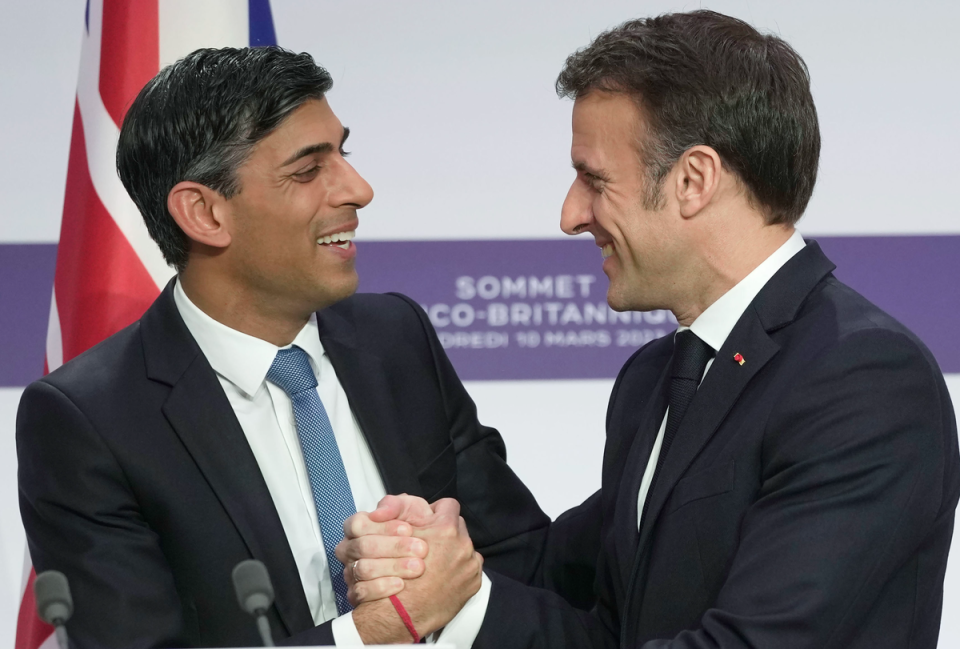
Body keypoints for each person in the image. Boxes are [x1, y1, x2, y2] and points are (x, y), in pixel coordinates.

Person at [340, 10, 960, 648]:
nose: (570, 215)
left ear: (694, 180)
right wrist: (435, 570)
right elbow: (600, 618)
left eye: (595, 180)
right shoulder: (655, 379)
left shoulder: (863, 381)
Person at [17, 46, 600, 648]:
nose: (359, 189)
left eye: (343, 154)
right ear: (204, 213)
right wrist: (379, 627)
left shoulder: (396, 338)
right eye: (307, 170)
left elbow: (525, 562)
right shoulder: (90, 421)